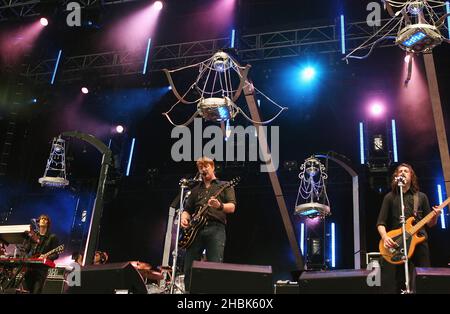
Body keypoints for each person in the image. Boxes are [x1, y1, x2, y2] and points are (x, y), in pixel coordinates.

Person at [376, 163, 441, 293]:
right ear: (396, 176)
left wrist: (435, 216)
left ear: (411, 176)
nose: (403, 173)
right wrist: (385, 237)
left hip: (419, 241)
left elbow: (430, 224)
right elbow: (380, 223)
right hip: (399, 244)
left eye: (406, 171)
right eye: (400, 171)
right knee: (400, 281)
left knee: (424, 278)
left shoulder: (421, 197)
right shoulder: (390, 197)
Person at [181, 157, 236, 292]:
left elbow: (232, 207)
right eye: (200, 168)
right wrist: (184, 218)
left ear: (212, 167)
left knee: (215, 265)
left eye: (206, 166)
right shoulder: (195, 190)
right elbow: (187, 210)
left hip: (216, 229)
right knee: (189, 266)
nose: (203, 170)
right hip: (195, 231)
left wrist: (219, 205)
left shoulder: (224, 185)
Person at [23, 214, 59, 294]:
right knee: (26, 291)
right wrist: (28, 259)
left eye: (45, 219)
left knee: (36, 291)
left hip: (41, 269)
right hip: (29, 267)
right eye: (41, 219)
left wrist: (46, 257)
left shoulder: (52, 237)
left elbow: (56, 254)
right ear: (38, 223)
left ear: (48, 223)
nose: (42, 220)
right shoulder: (33, 236)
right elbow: (26, 250)